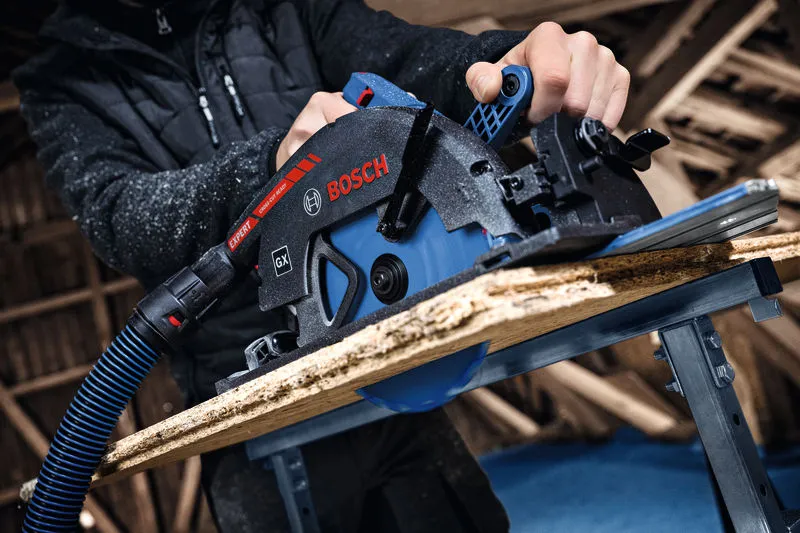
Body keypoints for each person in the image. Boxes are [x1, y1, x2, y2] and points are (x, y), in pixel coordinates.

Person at [13, 1, 631, 531]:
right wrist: (275, 172)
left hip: (378, 354)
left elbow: (408, 60)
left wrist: (505, 66)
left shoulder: (285, 7)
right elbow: (127, 219)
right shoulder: (60, 76)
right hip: (249, 405)